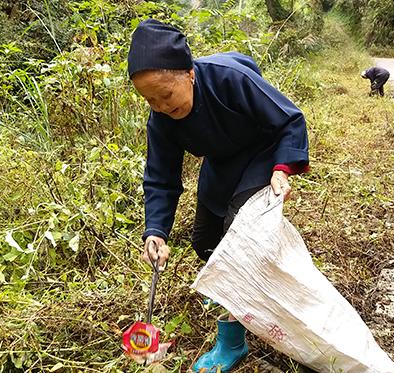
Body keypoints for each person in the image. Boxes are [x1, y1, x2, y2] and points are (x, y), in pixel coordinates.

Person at [127, 19, 309, 372]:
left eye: (166, 94)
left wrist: (281, 167)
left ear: (189, 73)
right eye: (150, 100)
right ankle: (241, 294)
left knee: (236, 244)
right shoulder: (161, 119)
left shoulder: (230, 79)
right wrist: (156, 231)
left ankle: (232, 341)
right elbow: (161, 177)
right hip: (221, 165)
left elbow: (289, 119)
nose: (162, 106)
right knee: (205, 240)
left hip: (261, 156)